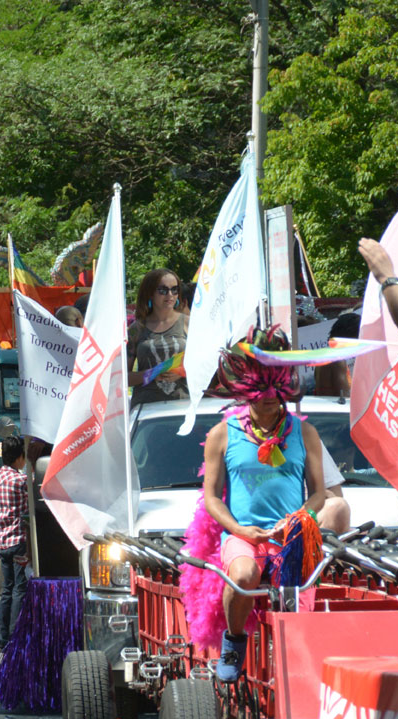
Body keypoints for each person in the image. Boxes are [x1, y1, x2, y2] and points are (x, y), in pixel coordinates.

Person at [201, 328, 325, 682]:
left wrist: (300, 519)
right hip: (244, 536)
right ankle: (234, 641)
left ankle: (295, 668)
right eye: (261, 393)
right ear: (246, 391)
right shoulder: (223, 434)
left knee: (295, 605)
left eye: (275, 392)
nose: (269, 399)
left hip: (292, 537)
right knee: (243, 576)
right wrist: (239, 530)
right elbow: (212, 497)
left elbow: (319, 493)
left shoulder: (305, 433)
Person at [0, 435, 29, 650]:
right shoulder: (21, 481)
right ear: (19, 457)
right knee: (19, 590)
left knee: (7, 590)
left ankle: (3, 638)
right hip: (19, 539)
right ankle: (15, 636)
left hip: (3, 540)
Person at [127, 268, 189, 406]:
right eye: (163, 290)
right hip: (146, 409)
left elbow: (207, 365)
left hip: (183, 406)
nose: (170, 295)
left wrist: (182, 371)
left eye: (174, 289)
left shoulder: (189, 324)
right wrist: (150, 374)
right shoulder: (136, 329)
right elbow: (123, 377)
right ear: (150, 293)